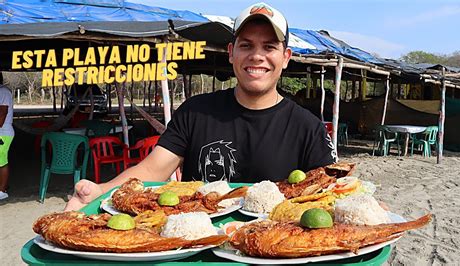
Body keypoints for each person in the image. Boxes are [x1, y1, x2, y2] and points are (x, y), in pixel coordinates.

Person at [65, 2, 336, 210]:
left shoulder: (307, 127)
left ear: (286, 57)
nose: (257, 56)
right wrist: (100, 191)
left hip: (275, 247)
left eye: (269, 47)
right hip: (196, 247)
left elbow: (329, 191)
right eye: (246, 45)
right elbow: (152, 170)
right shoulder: (196, 112)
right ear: (231, 52)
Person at [0, 72, 15, 200]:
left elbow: (2, 114)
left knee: (2, 161)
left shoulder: (3, 92)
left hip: (3, 132)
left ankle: (2, 191)